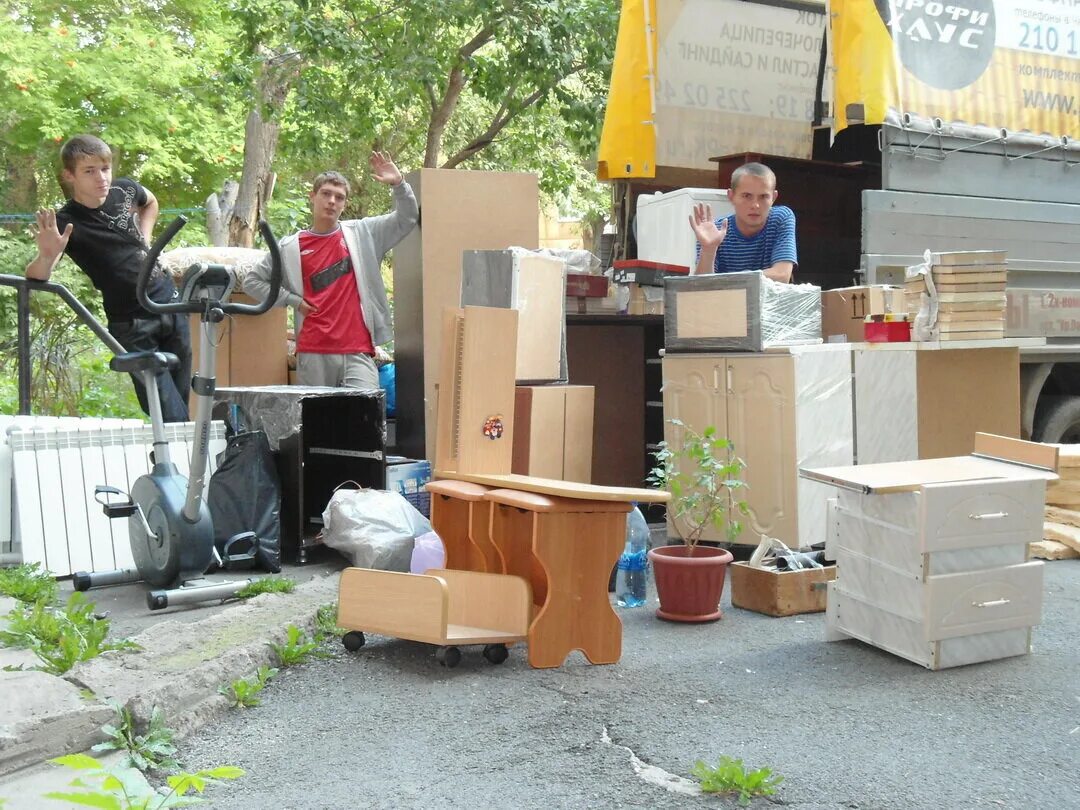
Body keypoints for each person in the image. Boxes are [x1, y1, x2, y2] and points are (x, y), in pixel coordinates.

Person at [25, 134, 192, 422]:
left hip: (169, 303)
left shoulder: (124, 190)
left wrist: (146, 237)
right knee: (164, 407)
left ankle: (171, 459)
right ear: (69, 175)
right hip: (132, 322)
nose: (101, 178)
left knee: (180, 398)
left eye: (105, 168)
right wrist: (46, 255)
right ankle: (178, 459)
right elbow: (36, 276)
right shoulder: (65, 222)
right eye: (89, 171)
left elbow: (150, 201)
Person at [245, 152, 418, 389]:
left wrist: (399, 184)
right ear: (313, 197)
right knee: (321, 424)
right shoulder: (290, 247)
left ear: (344, 204)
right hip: (313, 353)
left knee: (363, 420)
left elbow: (407, 218)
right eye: (326, 194)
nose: (332, 201)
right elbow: (252, 281)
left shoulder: (363, 233)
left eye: (339, 197)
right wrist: (293, 300)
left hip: (358, 351)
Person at [689, 162, 797, 283]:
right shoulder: (714, 231)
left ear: (773, 198)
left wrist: (724, 279)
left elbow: (782, 275)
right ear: (731, 196)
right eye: (747, 196)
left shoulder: (781, 218)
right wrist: (708, 249)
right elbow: (702, 287)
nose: (755, 205)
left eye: (763, 197)